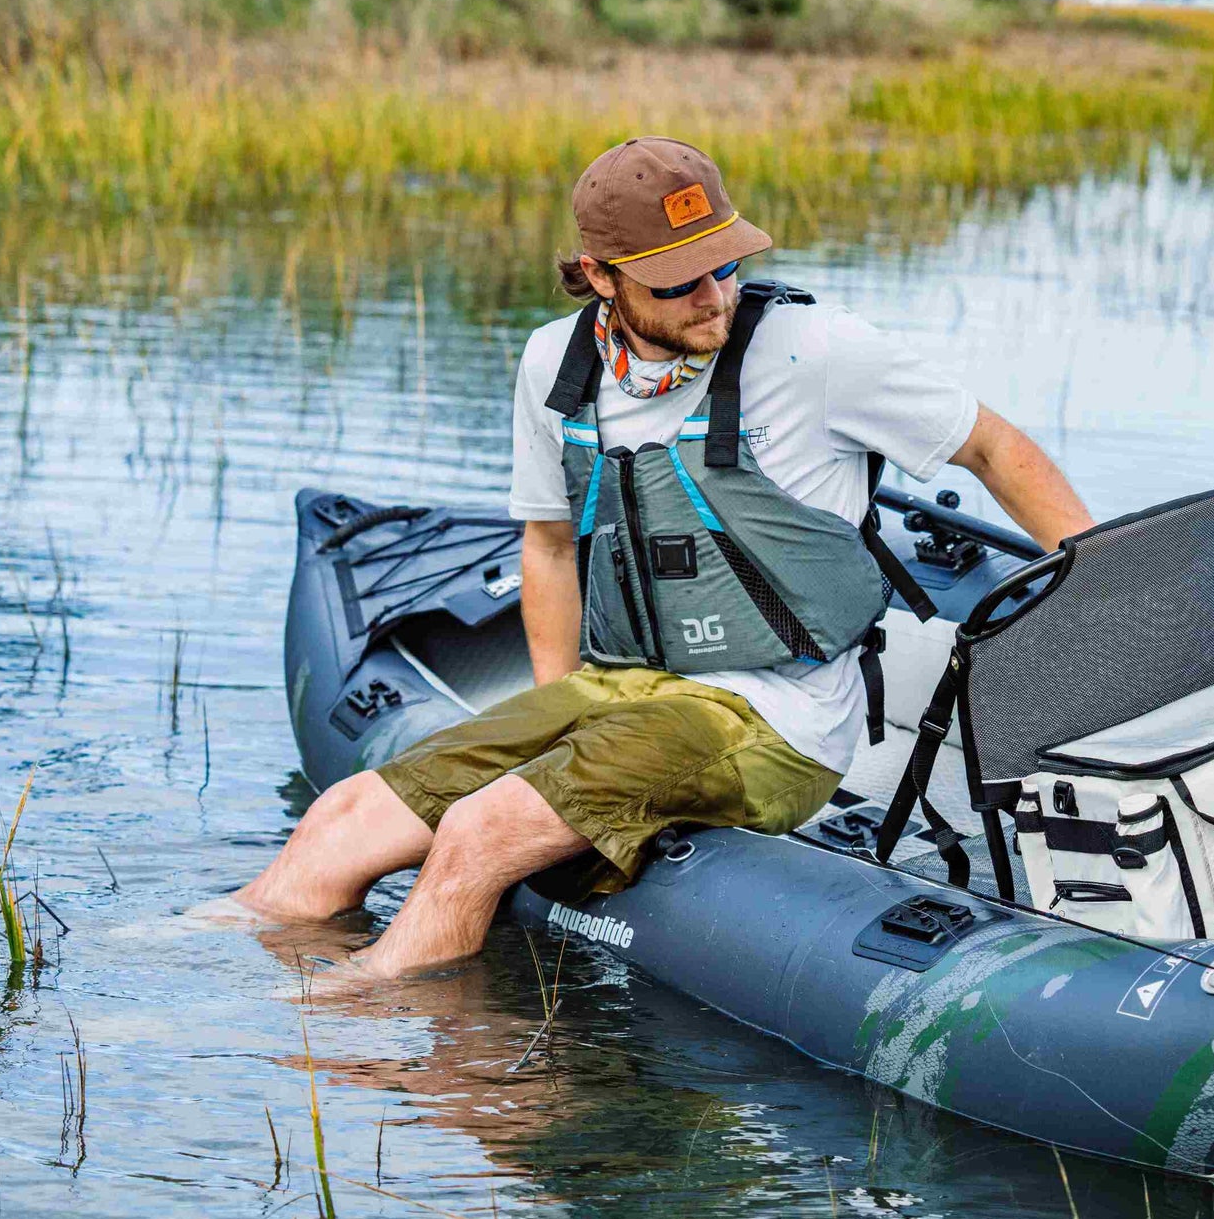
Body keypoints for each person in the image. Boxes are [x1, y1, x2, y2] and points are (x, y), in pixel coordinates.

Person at [234, 136, 1092, 976]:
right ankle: (188, 975)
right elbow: (546, 544)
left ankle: (350, 1038)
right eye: (677, 281)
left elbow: (993, 448)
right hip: (622, 686)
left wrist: (1101, 589)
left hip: (776, 717)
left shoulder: (815, 352)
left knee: (480, 831)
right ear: (600, 276)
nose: (713, 296)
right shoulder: (553, 364)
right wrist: (556, 717)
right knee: (343, 814)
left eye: (726, 263)